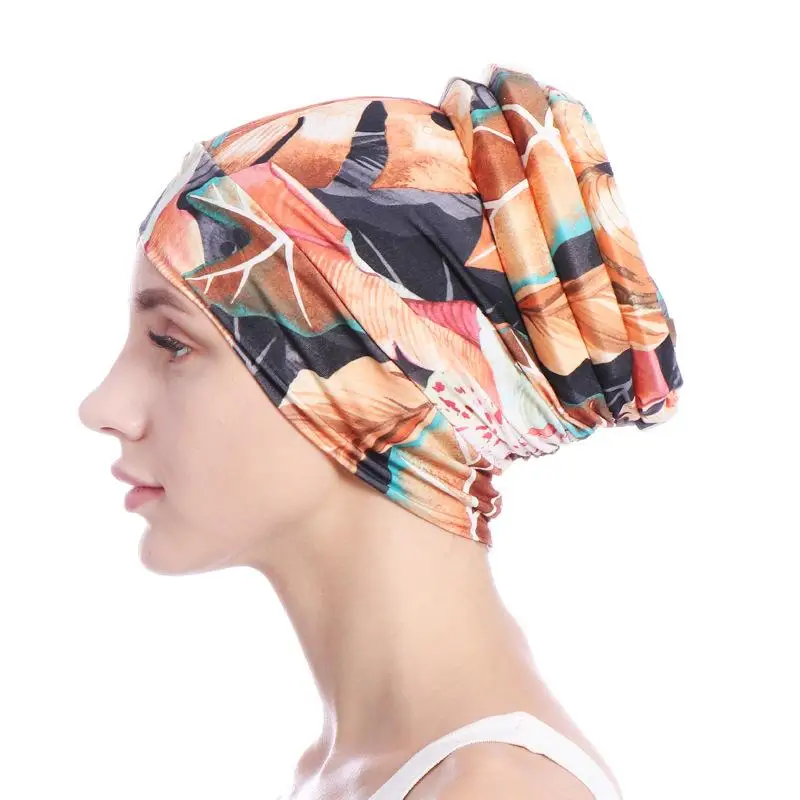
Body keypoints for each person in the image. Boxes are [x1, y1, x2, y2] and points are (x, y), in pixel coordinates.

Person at [79, 64, 682, 798]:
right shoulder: (353, 770)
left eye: (171, 344)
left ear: (374, 388)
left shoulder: (492, 789)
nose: (102, 406)